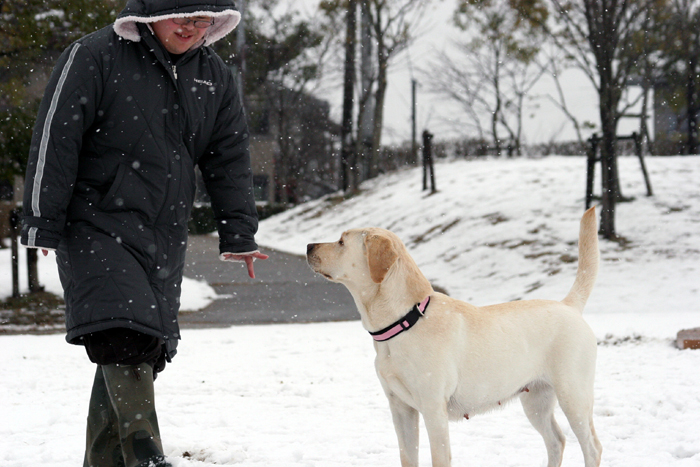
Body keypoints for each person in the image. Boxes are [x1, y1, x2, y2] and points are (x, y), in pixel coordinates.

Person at [20, 1, 268, 465]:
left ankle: (105, 460)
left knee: (145, 344)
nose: (192, 29)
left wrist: (239, 233)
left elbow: (229, 157)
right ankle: (146, 456)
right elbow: (56, 136)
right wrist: (41, 219)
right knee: (122, 333)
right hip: (94, 221)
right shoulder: (95, 55)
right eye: (183, 17)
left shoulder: (212, 76)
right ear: (154, 14)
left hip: (162, 232)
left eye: (203, 21)